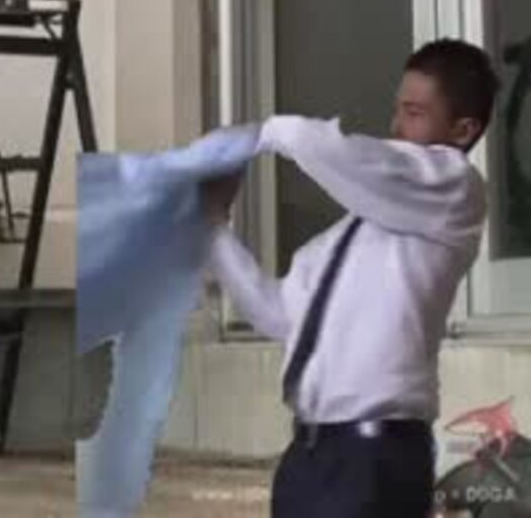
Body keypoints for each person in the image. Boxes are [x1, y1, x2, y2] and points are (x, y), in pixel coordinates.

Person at [203, 39, 500, 517]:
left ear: (463, 130)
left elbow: (343, 154)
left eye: (414, 113)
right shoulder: (342, 238)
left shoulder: (455, 188)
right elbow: (279, 317)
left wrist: (260, 134)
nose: (396, 126)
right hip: (308, 454)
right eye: (397, 109)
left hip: (374, 454)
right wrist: (212, 227)